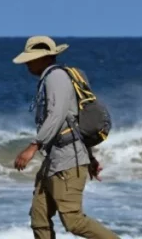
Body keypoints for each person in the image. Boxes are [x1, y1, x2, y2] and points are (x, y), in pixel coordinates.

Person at [12, 36, 119, 239]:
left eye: (30, 59)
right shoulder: (50, 78)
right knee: (39, 217)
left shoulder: (56, 77)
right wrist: (91, 157)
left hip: (67, 161)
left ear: (43, 58)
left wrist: (33, 146)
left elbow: (57, 115)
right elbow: (72, 124)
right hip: (55, 160)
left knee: (73, 220)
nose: (26, 63)